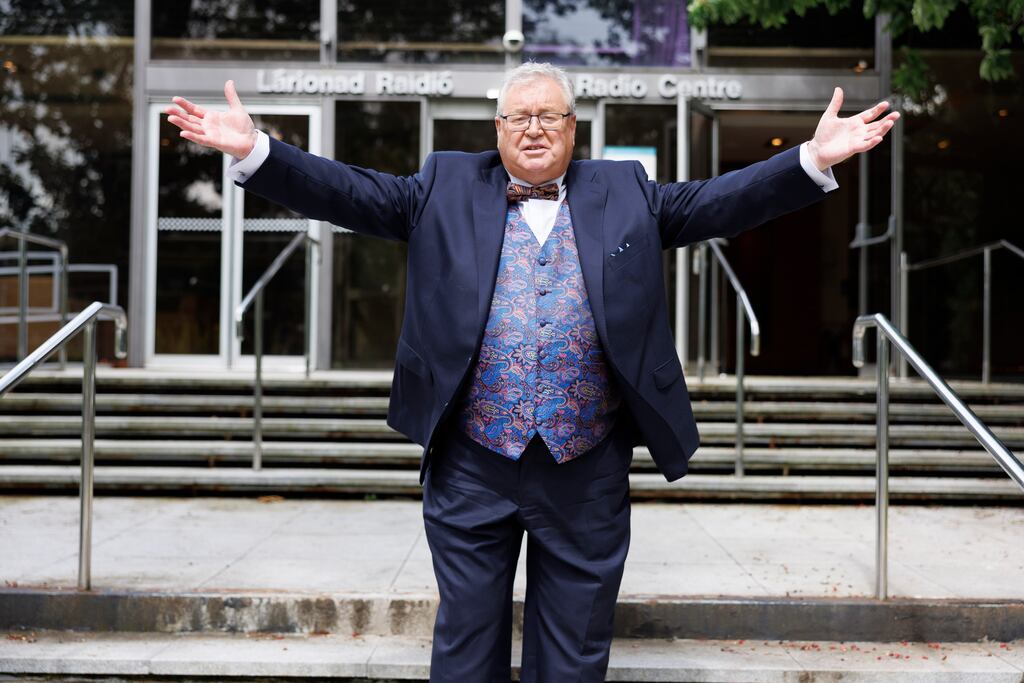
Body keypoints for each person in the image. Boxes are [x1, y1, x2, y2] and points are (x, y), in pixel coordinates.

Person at [166, 62, 898, 682]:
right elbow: (348, 192)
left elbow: (717, 202)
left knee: (575, 653)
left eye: (549, 116)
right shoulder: (442, 187)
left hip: (586, 465)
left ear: (573, 129)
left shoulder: (626, 192)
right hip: (473, 460)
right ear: (497, 129)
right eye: (518, 117)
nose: (534, 129)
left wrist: (810, 160)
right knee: (465, 648)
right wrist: (260, 151)